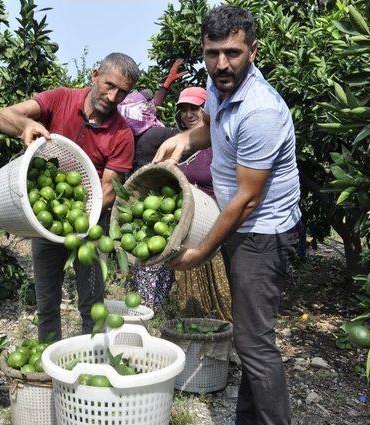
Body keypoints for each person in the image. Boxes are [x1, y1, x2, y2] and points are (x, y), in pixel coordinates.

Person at [153, 6, 301, 425]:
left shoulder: (261, 111)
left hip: (262, 233)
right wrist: (185, 138)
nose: (221, 63)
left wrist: (201, 251)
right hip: (243, 227)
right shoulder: (219, 86)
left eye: (233, 53)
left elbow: (246, 200)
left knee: (256, 345)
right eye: (212, 52)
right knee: (248, 338)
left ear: (253, 51)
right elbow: (213, 128)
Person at [0, 53, 139, 342]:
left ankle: (92, 360)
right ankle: (48, 360)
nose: (112, 96)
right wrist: (24, 126)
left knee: (92, 303)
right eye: (109, 85)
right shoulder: (60, 99)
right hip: (47, 219)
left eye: (123, 92)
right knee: (46, 302)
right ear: (95, 74)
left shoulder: (122, 134)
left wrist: (78, 220)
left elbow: (107, 190)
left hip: (89, 221)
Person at [171, 87, 232, 321]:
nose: (188, 115)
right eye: (183, 110)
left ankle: (225, 335)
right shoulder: (178, 145)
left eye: (194, 108)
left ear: (207, 111)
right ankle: (195, 338)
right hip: (186, 227)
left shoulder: (219, 143)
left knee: (219, 292)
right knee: (190, 295)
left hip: (211, 224)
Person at [116, 90, 176, 308]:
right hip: (156, 197)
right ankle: (153, 305)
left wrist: (166, 85)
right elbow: (187, 139)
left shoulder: (129, 135)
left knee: (146, 256)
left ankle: (148, 303)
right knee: (158, 257)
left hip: (138, 201)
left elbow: (147, 107)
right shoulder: (155, 135)